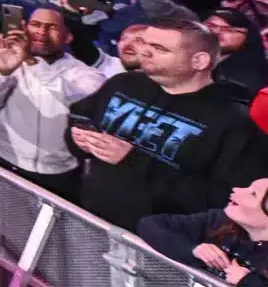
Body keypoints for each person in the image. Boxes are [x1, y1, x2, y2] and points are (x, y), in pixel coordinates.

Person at [69, 18, 268, 229]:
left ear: (199, 61)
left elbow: (222, 199)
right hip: (89, 218)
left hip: (159, 243)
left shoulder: (234, 122)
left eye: (159, 48)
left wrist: (133, 159)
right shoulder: (123, 83)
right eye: (144, 44)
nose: (144, 52)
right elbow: (81, 116)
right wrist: (82, 138)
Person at [0, 6, 105, 201]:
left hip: (56, 173)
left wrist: (32, 63)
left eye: (51, 27)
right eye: (35, 25)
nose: (41, 32)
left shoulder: (85, 74)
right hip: (1, 157)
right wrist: (2, 73)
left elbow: (74, 97)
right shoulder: (4, 57)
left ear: (67, 37)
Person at [139, 178, 268, 287]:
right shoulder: (219, 221)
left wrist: (246, 282)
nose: (237, 190)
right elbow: (150, 225)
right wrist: (193, 250)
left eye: (253, 194)